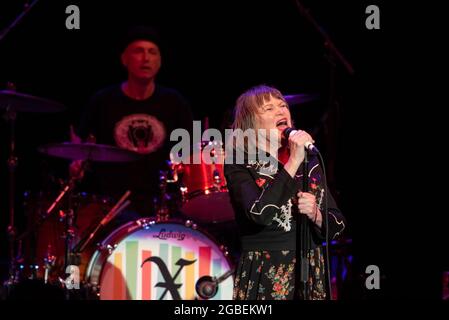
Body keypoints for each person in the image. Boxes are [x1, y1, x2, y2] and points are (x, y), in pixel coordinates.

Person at [224, 85, 346, 300]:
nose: (281, 111)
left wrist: (316, 215)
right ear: (250, 123)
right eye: (268, 109)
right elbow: (260, 213)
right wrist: (294, 160)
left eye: (283, 106)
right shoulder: (239, 162)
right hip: (266, 271)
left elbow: (337, 225)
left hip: (311, 271)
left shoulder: (311, 160)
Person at [70, 26, 193, 219]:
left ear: (160, 62)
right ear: (124, 60)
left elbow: (191, 151)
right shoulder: (103, 100)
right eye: (138, 51)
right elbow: (78, 145)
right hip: (112, 205)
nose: (146, 58)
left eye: (152, 52)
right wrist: (76, 163)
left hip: (163, 202)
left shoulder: (174, 102)